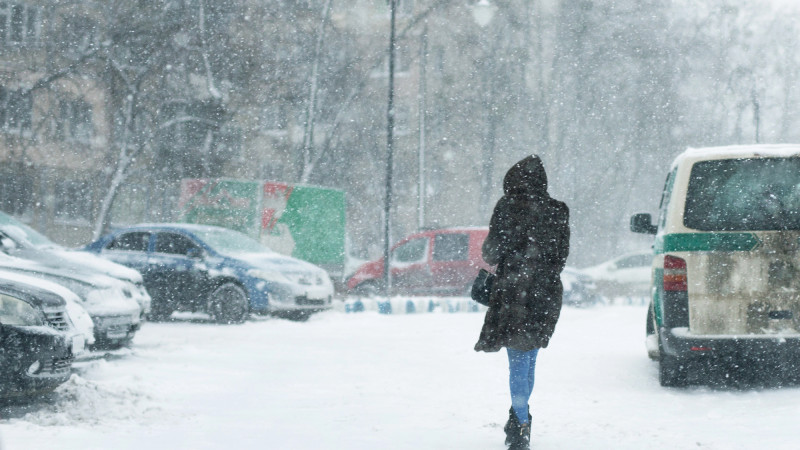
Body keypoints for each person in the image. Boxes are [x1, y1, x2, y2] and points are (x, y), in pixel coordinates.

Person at [474, 155, 570, 449]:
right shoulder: (558, 211)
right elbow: (560, 258)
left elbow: (490, 254)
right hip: (545, 295)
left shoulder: (507, 207)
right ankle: (519, 417)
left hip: (513, 293)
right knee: (528, 358)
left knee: (517, 360)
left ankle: (521, 424)